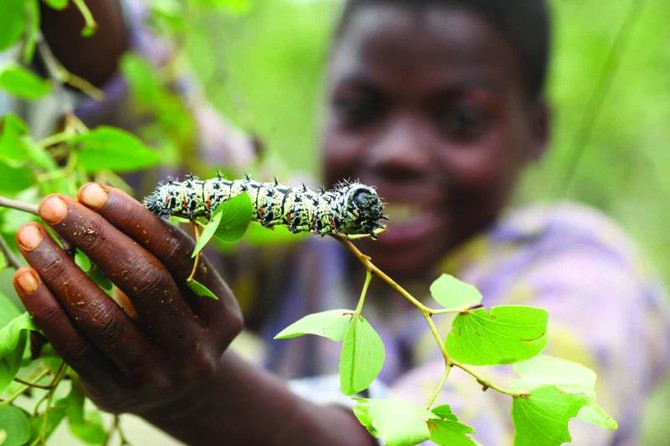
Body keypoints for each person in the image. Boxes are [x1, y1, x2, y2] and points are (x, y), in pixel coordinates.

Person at [10, 0, 670, 445]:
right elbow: (155, 133)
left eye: (460, 120)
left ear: (538, 132)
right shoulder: (313, 244)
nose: (400, 153)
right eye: (361, 109)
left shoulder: (588, 280)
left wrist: (199, 397)